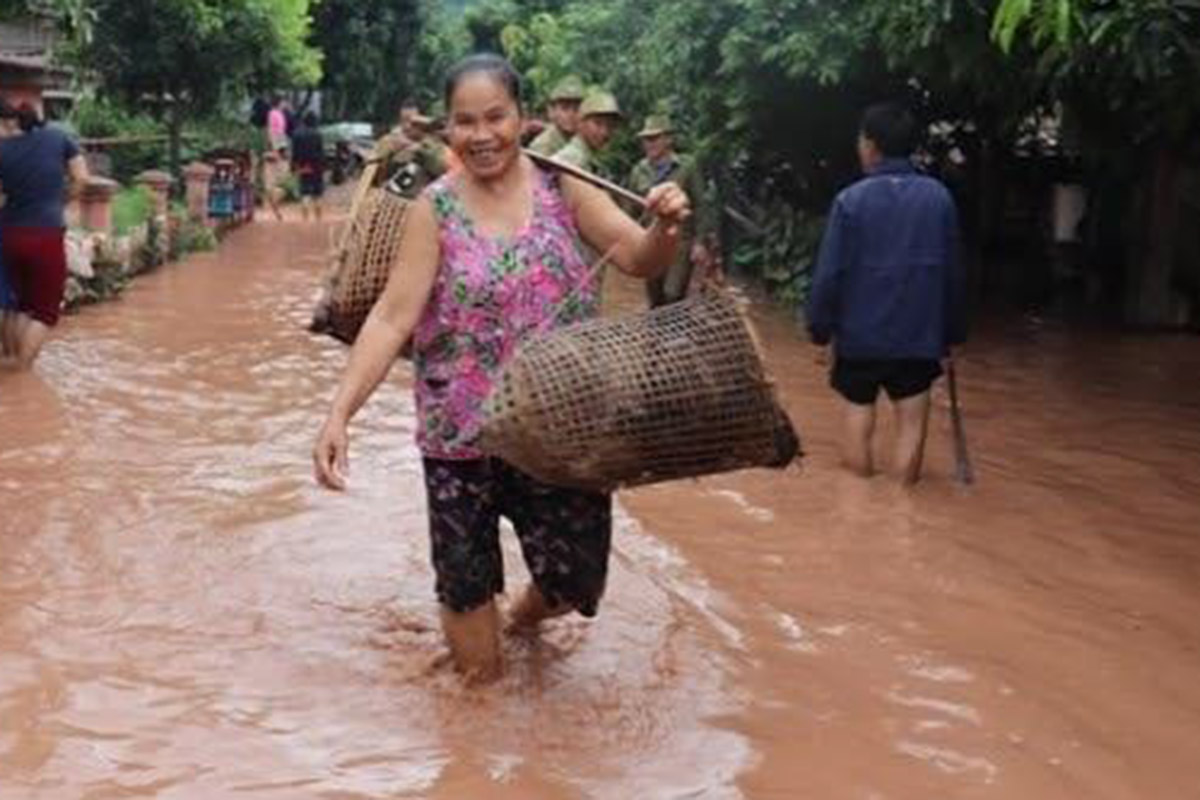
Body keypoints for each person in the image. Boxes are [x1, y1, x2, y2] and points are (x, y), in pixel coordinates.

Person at [312, 54, 691, 683]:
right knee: (470, 623)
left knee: (574, 583)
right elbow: (391, 318)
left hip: (560, 429)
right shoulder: (434, 209)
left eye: (496, 117)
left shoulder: (564, 185)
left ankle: (520, 623)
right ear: (448, 131)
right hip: (460, 436)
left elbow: (641, 259)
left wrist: (668, 227)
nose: (482, 135)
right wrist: (339, 413)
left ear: (522, 117)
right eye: (466, 122)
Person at [806, 103, 966, 485]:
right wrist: (954, 335)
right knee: (911, 423)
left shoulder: (850, 201)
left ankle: (858, 506)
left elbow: (829, 275)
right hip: (918, 337)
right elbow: (954, 275)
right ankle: (901, 511)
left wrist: (819, 330)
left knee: (858, 417)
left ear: (871, 145)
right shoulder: (938, 199)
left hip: (860, 338)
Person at [0, 103, 89, 371]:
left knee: (19, 305)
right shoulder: (59, 136)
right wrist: (62, 202)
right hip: (46, 234)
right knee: (46, 312)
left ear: (10, 122)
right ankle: (22, 374)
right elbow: (82, 177)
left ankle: (10, 363)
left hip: (9, 235)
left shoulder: (1, 149)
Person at [627, 113, 713, 307]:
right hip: (651, 240)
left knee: (673, 294)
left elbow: (701, 205)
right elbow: (630, 211)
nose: (649, 144)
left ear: (668, 139)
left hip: (681, 242)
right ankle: (658, 336)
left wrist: (700, 243)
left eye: (653, 138)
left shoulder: (687, 166)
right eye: (645, 140)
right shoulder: (638, 171)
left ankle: (675, 335)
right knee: (654, 296)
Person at [552, 90, 623, 174]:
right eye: (598, 123)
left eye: (610, 126)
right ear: (580, 123)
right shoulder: (573, 159)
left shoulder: (590, 157)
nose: (604, 132)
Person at [527, 76, 585, 157]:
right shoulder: (542, 147)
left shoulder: (581, 140)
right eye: (565, 108)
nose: (571, 115)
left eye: (576, 109)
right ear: (551, 111)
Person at [291, 111, 326, 222]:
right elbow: (321, 152)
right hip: (316, 166)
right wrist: (323, 166)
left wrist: (293, 166)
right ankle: (318, 220)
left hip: (303, 166)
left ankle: (305, 220)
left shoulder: (296, 134)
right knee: (317, 193)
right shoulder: (318, 135)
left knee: (305, 192)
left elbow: (294, 153)